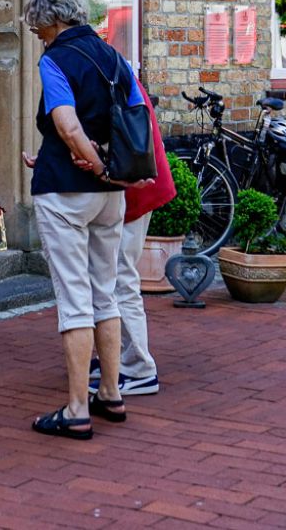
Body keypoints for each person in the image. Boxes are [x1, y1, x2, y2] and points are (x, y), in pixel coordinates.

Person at [20, 0, 147, 441]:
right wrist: (112, 172)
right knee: (105, 292)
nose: (39, 35)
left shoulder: (56, 60)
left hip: (66, 193)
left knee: (74, 300)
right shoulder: (115, 57)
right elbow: (136, 118)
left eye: (39, 28)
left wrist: (92, 165)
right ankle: (111, 392)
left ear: (53, 21)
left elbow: (68, 127)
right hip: (110, 195)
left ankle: (77, 407)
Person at [96, 73, 170, 399]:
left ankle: (139, 367)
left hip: (132, 191)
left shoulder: (102, 73)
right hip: (136, 187)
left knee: (121, 279)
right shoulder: (113, 68)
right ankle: (118, 356)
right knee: (115, 278)